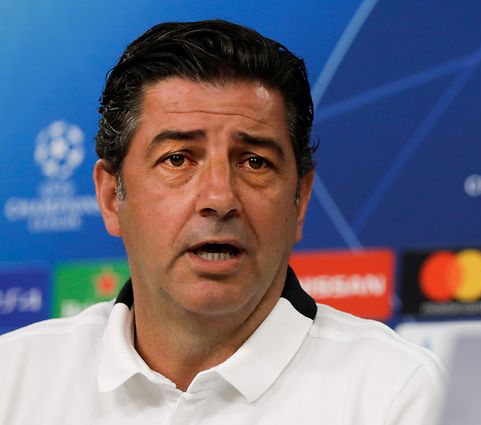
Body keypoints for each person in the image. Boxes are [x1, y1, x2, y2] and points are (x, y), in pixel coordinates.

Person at [0, 20, 444, 424]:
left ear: (300, 200)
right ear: (110, 197)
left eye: (254, 161)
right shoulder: (14, 379)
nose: (218, 198)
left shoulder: (398, 394)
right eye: (177, 159)